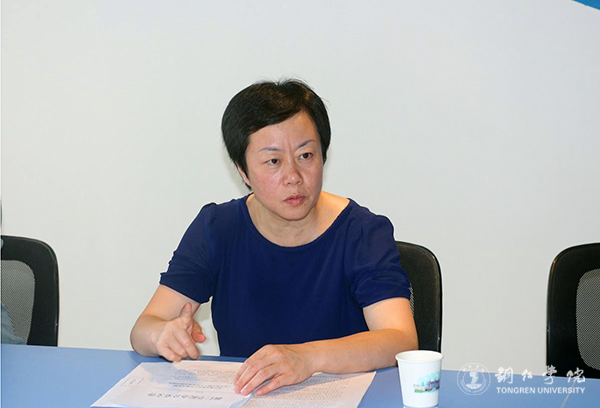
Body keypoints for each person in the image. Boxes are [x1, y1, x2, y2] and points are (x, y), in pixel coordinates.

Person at [130, 79, 418, 396]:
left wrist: (307, 358)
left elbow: (400, 340)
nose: (293, 177)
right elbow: (144, 328)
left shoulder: (362, 232)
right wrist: (161, 335)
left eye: (306, 155)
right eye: (273, 161)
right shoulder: (218, 229)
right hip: (248, 398)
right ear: (242, 170)